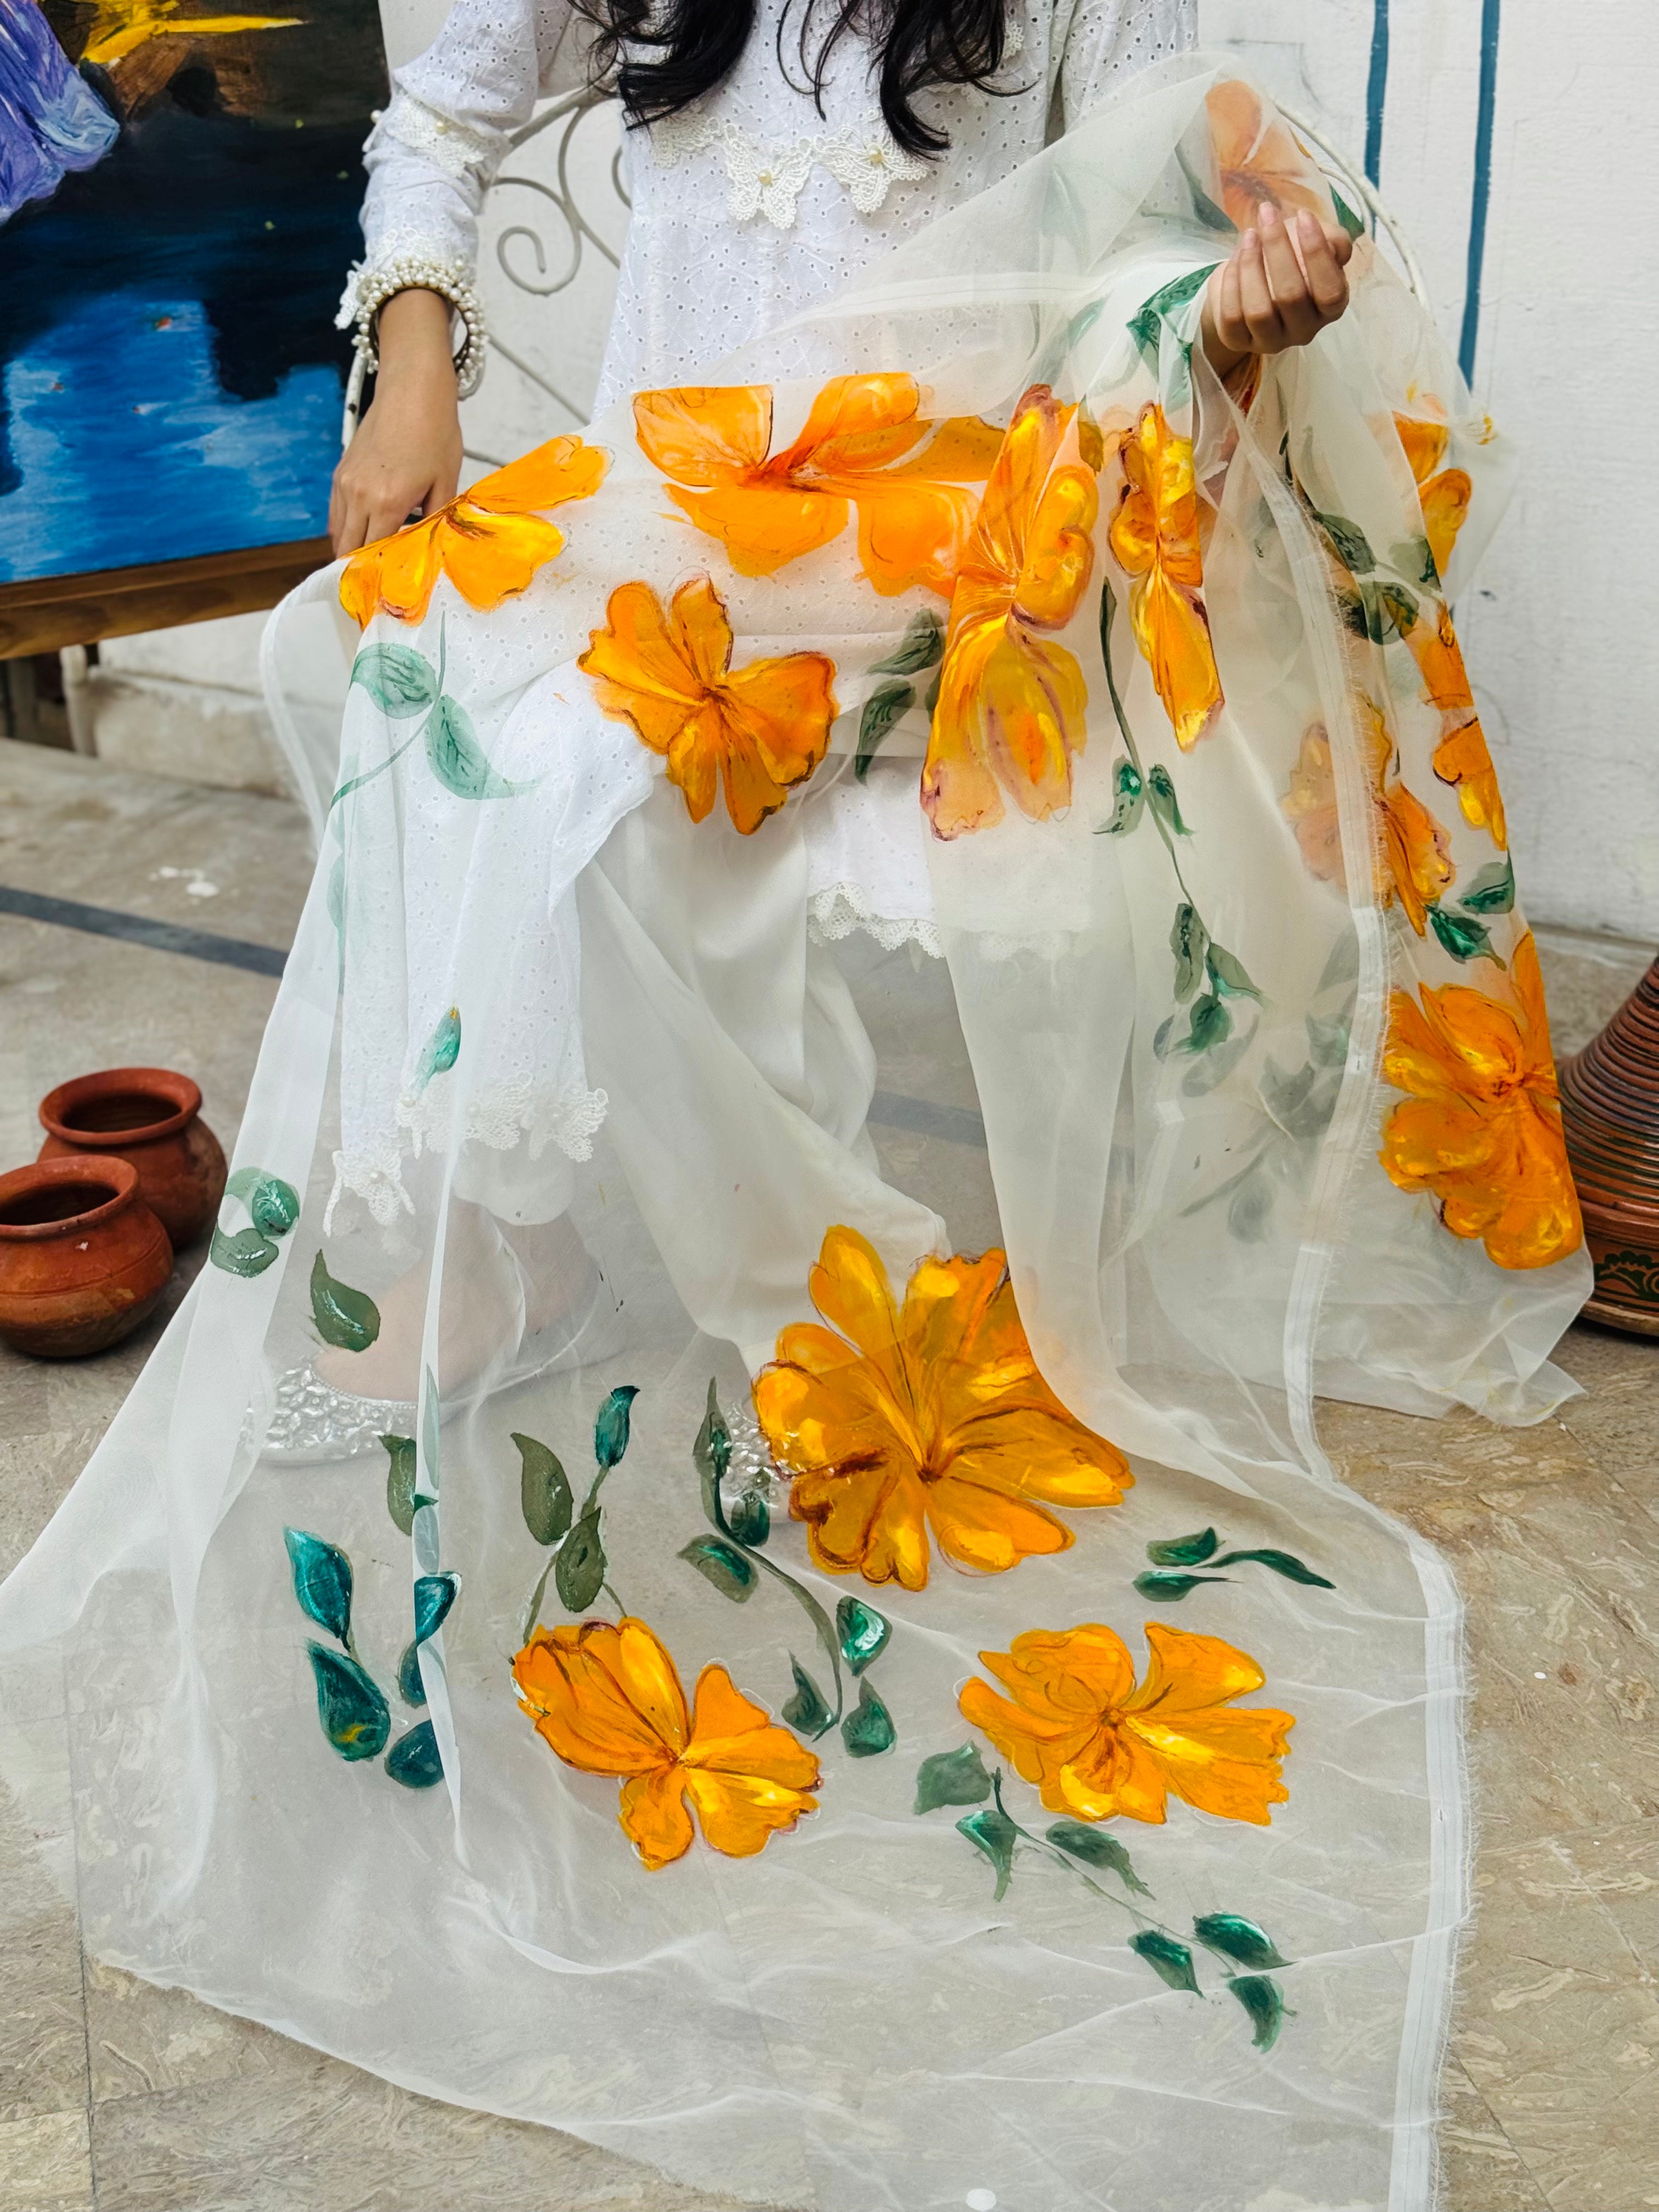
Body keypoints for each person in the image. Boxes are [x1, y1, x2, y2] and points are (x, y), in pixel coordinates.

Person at [0, 8, 1591, 2210]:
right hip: (686, 497)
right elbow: (451, 109)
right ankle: (537, 1232)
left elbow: (1150, 193)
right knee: (375, 658)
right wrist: (417, 350)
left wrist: (1226, 298)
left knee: (556, 757)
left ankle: (628, 1266)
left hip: (929, 550)